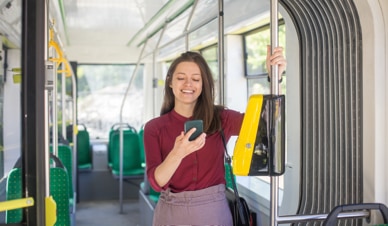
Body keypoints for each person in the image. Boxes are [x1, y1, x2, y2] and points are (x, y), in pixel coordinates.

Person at [143, 46, 286, 226]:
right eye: (181, 78)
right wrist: (178, 153)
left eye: (196, 79)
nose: (188, 84)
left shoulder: (221, 118)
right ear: (170, 82)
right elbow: (157, 183)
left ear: (203, 85)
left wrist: (275, 79)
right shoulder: (154, 128)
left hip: (213, 212)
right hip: (172, 213)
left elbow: (263, 123)